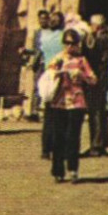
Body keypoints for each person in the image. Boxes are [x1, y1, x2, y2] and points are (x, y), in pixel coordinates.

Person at [45, 29, 94, 183]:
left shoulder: (81, 61)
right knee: (58, 137)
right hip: (59, 102)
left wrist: (83, 76)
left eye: (73, 43)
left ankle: (73, 169)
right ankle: (57, 170)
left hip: (76, 103)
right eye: (67, 43)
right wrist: (57, 74)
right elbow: (48, 78)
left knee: (73, 137)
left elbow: (93, 79)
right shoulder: (57, 59)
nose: (69, 46)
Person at [83, 16, 108, 156]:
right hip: (102, 78)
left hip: (97, 78)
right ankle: (101, 143)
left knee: (95, 111)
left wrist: (87, 36)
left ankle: (96, 144)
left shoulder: (102, 39)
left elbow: (91, 51)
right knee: (100, 111)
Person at [36, 10, 67, 158]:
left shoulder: (45, 37)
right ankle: (56, 147)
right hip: (60, 76)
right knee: (59, 116)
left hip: (48, 75)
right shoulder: (64, 37)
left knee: (48, 116)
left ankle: (45, 149)